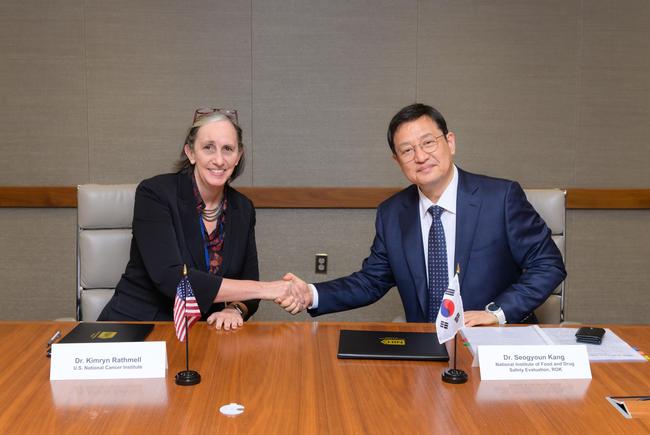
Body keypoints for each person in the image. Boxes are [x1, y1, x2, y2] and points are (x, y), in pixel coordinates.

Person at [281, 103, 567, 325]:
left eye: (428, 143)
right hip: (426, 348)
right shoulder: (393, 213)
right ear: (397, 161)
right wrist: (311, 294)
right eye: (407, 150)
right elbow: (370, 282)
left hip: (494, 344)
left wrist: (496, 313)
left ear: (450, 142)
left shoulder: (500, 198)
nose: (420, 157)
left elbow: (548, 265)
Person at [99, 108, 302, 329]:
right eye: (208, 148)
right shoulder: (155, 193)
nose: (219, 160)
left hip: (203, 333)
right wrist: (269, 289)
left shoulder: (243, 208)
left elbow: (248, 283)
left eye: (228, 149)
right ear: (191, 153)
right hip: (139, 325)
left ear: (238, 156)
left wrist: (234, 309)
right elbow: (172, 278)